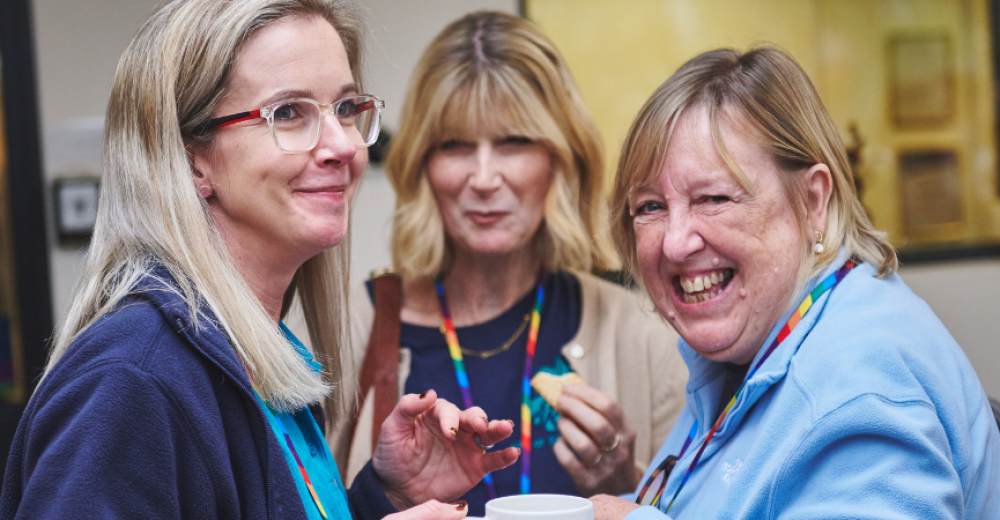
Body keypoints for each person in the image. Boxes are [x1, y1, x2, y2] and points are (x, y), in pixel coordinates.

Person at [0, 1, 519, 519]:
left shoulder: (261, 354)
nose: (342, 145)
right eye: (289, 113)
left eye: (344, 109)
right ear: (191, 160)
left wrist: (384, 496)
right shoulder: (130, 380)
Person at [590, 46, 1000, 519]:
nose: (674, 244)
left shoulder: (859, 382)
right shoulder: (750, 352)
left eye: (714, 197)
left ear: (812, 201)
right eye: (650, 207)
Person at [336, 11, 687, 517]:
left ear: (560, 157)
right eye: (455, 144)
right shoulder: (348, 331)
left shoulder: (645, 334)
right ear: (422, 163)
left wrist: (628, 486)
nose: (483, 177)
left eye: (513, 142)